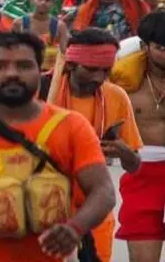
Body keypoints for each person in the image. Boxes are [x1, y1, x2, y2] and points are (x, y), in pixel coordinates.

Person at [0, 31, 117, 262]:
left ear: (40, 69)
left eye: (24, 65)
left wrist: (74, 228)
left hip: (57, 256)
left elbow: (103, 191)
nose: (12, 73)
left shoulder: (70, 125)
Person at [47, 27, 141, 262]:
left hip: (95, 209)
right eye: (90, 69)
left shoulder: (116, 96)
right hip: (43, 206)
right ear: (70, 65)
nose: (98, 78)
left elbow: (134, 166)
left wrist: (123, 151)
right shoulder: (43, 90)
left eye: (105, 71)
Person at [111, 11, 165, 262]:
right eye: (161, 48)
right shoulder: (122, 82)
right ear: (145, 46)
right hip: (142, 172)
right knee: (143, 257)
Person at [0, 0, 67, 76]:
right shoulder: (19, 23)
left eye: (48, 0)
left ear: (53, 3)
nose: (43, 2)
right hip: (26, 74)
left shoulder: (59, 26)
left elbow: (65, 53)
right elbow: (12, 49)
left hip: (51, 75)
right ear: (32, 0)